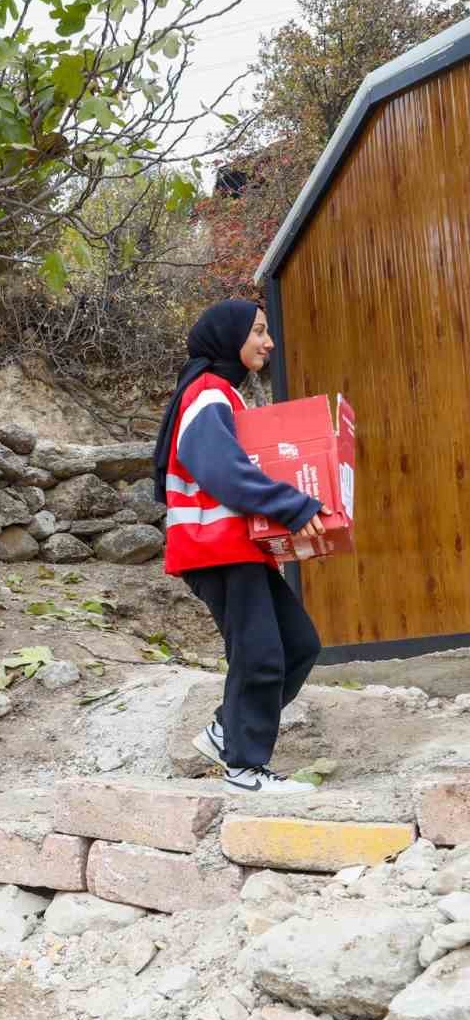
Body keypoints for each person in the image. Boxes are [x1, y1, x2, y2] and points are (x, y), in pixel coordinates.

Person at [154, 299, 330, 796]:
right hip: (216, 548)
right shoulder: (207, 393)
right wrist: (292, 506)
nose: (267, 342)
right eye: (257, 331)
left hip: (238, 549)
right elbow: (223, 470)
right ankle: (245, 769)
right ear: (229, 337)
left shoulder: (225, 395)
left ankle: (225, 732)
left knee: (298, 645)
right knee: (260, 654)